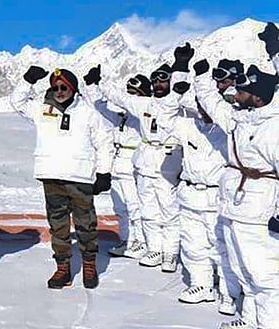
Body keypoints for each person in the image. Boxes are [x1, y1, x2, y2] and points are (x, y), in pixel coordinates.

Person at [192, 22, 279, 329]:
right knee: (241, 265)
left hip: (259, 208)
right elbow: (213, 105)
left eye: (240, 90)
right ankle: (251, 317)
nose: (233, 93)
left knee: (263, 269)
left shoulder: (273, 128)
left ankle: (272, 325)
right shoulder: (241, 117)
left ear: (257, 95)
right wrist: (200, 77)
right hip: (233, 204)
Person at [10, 65, 113, 289]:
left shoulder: (87, 112)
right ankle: (63, 267)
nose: (59, 90)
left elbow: (105, 141)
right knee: (58, 226)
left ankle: (88, 264)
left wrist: (104, 172)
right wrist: (27, 80)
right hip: (51, 175)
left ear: (73, 88)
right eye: (55, 87)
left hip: (80, 177)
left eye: (64, 86)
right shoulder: (41, 108)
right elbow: (16, 102)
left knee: (86, 225)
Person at [96, 44, 192, 272]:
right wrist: (99, 81)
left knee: (168, 210)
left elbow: (183, 86)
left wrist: (181, 65)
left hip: (167, 161)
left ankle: (170, 253)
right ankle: (154, 248)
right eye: (156, 81)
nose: (160, 85)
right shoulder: (143, 103)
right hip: (145, 161)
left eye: (163, 81)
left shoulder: (177, 102)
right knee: (148, 209)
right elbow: (118, 96)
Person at [170, 95, 236, 313]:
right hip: (190, 194)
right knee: (192, 244)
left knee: (221, 248)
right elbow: (163, 119)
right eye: (200, 105)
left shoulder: (228, 130)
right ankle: (201, 284)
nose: (204, 109)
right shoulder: (188, 126)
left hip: (215, 196)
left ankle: (228, 293)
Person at [85, 71, 147, 259]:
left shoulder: (145, 113)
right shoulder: (122, 116)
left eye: (134, 93)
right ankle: (125, 239)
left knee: (135, 206)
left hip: (132, 165)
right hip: (116, 165)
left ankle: (141, 242)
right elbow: (100, 107)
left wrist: (103, 82)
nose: (129, 96)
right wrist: (91, 86)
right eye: (128, 92)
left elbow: (119, 99)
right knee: (120, 208)